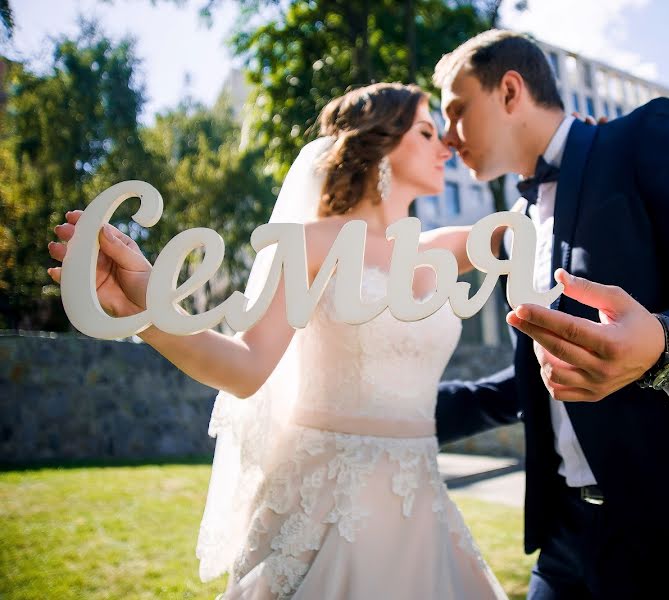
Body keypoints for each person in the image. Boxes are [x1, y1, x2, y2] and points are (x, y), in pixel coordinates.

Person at [47, 82, 509, 600]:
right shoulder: (310, 244)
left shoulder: (437, 251)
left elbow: (526, 230)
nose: (446, 147)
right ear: (379, 141)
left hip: (423, 507)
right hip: (330, 508)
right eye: (427, 131)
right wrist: (148, 308)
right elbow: (246, 367)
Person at [432, 30, 669, 599]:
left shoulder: (645, 136)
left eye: (456, 112)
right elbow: (540, 379)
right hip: (564, 539)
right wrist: (400, 415)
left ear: (510, 91)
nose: (448, 137)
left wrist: (667, 344)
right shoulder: (516, 224)